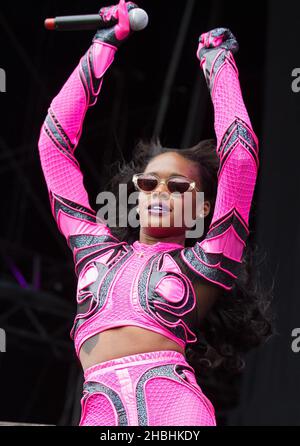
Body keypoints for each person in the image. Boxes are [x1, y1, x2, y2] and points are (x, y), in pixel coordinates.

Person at [38, 0, 272, 426]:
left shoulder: (207, 263)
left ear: (203, 207)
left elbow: (239, 159)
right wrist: (102, 46)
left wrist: (219, 65)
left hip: (175, 411)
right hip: (100, 412)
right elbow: (53, 146)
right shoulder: (94, 251)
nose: (160, 191)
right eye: (149, 183)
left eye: (177, 185)